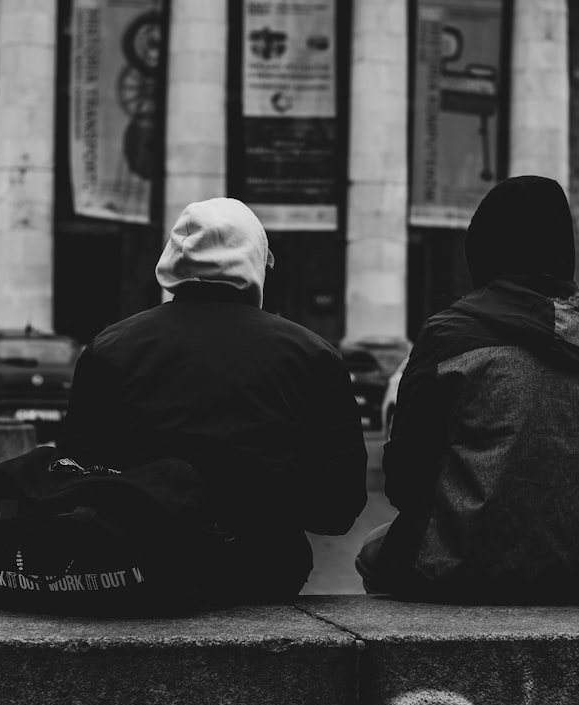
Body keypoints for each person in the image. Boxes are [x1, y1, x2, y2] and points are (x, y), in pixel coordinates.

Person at [356, 175, 579, 603]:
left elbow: (407, 472)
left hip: (465, 567)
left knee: (373, 552)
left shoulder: (449, 333)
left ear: (483, 250)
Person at [58, 197, 368, 603]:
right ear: (257, 264)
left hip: (137, 570)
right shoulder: (313, 355)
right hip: (263, 571)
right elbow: (338, 508)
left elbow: (76, 476)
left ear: (171, 260)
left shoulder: (108, 348)